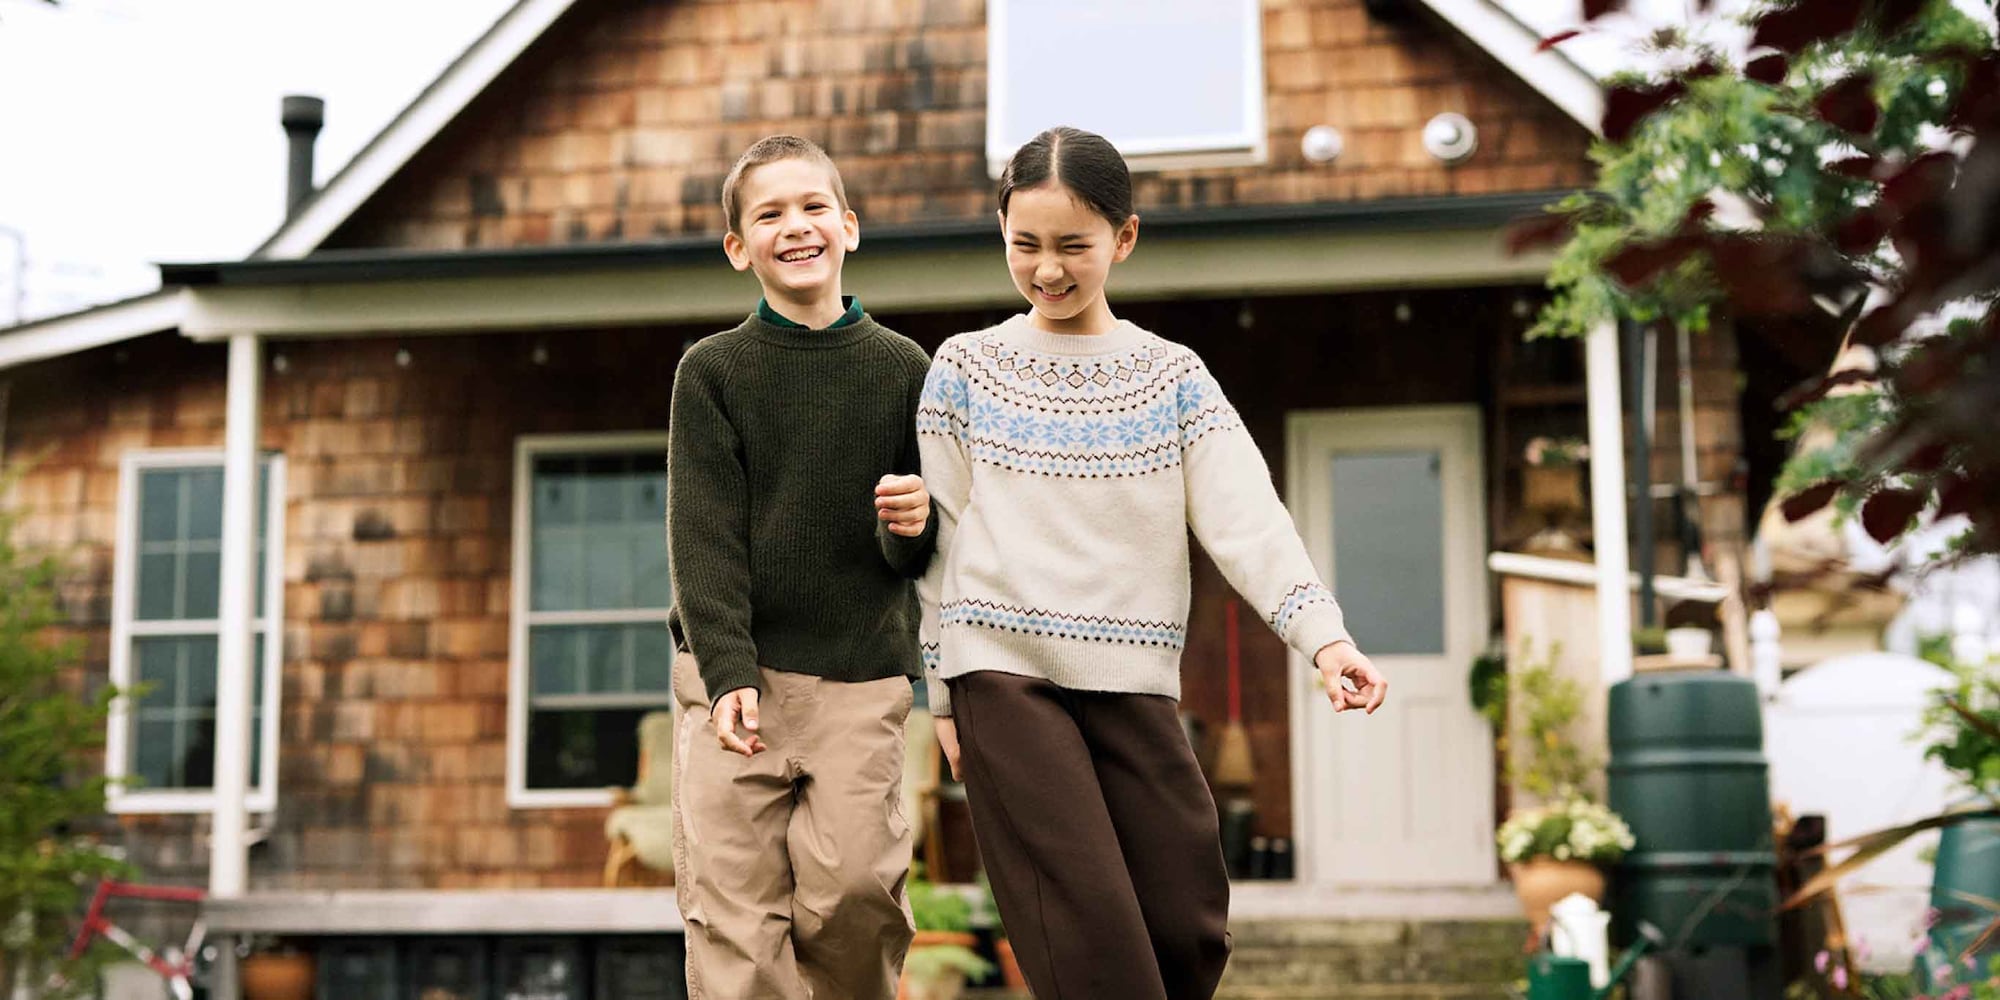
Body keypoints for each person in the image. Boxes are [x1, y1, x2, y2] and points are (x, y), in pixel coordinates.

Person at [915, 126, 1389, 1000]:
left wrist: (1326, 640)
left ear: (1123, 239)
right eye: (1025, 245)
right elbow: (938, 543)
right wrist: (942, 695)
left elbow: (1248, 519)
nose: (1047, 269)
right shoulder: (965, 369)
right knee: (1088, 925)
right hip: (1002, 677)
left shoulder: (1171, 376)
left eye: (1073, 246)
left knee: (1185, 922)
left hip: (1133, 679)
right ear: (1001, 232)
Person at [667, 133, 936, 1000]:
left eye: (814, 206)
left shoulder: (905, 370)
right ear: (739, 248)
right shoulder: (712, 373)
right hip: (732, 682)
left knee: (856, 890)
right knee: (736, 917)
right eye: (770, 214)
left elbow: (921, 551)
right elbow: (703, 538)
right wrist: (726, 672)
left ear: (849, 227)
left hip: (859, 675)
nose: (797, 226)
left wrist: (912, 524)